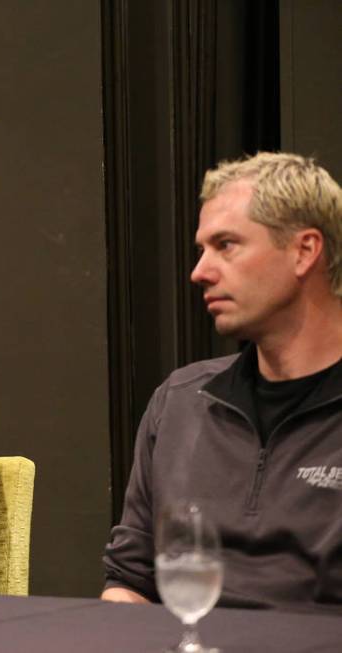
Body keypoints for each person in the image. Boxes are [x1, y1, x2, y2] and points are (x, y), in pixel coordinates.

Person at [102, 152, 342, 611]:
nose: (200, 272)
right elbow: (129, 579)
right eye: (201, 250)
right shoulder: (180, 402)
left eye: (226, 245)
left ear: (304, 251)